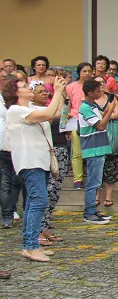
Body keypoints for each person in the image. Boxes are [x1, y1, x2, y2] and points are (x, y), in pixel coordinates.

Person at [2, 75, 66, 262]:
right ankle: (30, 246)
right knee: (38, 201)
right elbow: (47, 114)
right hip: (30, 162)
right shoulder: (15, 110)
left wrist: (59, 90)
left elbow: (55, 112)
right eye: (23, 86)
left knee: (33, 202)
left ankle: (31, 244)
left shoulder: (30, 108)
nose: (29, 87)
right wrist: (59, 91)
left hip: (40, 160)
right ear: (15, 92)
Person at [31, 82, 68, 244]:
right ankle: (37, 228)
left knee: (55, 191)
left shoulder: (49, 107)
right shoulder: (34, 110)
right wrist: (59, 93)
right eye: (39, 92)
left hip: (60, 147)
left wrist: (62, 95)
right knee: (47, 190)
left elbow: (63, 117)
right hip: (47, 151)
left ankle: (44, 226)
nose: (44, 94)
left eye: (45, 91)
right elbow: (57, 114)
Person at [78, 78, 117, 225]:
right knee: (93, 183)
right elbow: (100, 126)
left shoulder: (92, 105)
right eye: (97, 90)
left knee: (96, 182)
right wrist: (111, 110)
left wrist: (107, 110)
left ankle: (93, 212)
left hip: (98, 147)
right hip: (93, 148)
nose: (100, 92)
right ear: (89, 93)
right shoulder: (85, 107)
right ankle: (89, 213)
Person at [92, 76, 118, 207]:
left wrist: (103, 116)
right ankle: (96, 195)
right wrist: (109, 115)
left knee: (111, 164)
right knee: (96, 165)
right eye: (97, 83)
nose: (101, 85)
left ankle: (109, 196)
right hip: (95, 135)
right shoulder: (89, 99)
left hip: (111, 133)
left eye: (102, 82)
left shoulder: (112, 98)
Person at [0, 75, 24, 229]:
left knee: (16, 181)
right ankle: (7, 214)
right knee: (6, 182)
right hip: (6, 145)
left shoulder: (22, 104)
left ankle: (11, 211)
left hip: (20, 145)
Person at [65, 62, 94, 189]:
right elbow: (67, 106)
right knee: (77, 152)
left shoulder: (95, 86)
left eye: (89, 71)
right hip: (75, 120)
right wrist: (65, 127)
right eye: (84, 71)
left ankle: (94, 178)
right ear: (79, 73)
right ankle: (78, 179)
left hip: (92, 121)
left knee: (93, 152)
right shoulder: (71, 87)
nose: (87, 73)